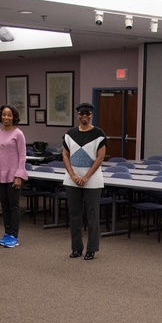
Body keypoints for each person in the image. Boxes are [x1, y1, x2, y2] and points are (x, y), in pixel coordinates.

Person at [62, 102, 106, 260]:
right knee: (74, 215)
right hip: (72, 178)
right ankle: (76, 247)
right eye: (82, 113)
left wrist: (86, 176)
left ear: (91, 115)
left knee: (92, 214)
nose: (84, 116)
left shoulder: (98, 133)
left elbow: (100, 157)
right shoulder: (70, 133)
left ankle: (91, 249)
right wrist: (73, 175)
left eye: (87, 113)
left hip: (92, 179)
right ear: (78, 115)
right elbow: (65, 155)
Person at [0, 104, 28, 248]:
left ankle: (14, 236)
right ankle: (7, 233)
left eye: (9, 115)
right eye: (4, 114)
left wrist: (19, 175)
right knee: (4, 206)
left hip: (13, 175)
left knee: (14, 206)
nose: (6, 117)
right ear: (1, 116)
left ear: (14, 117)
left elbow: (23, 156)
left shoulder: (18, 134)